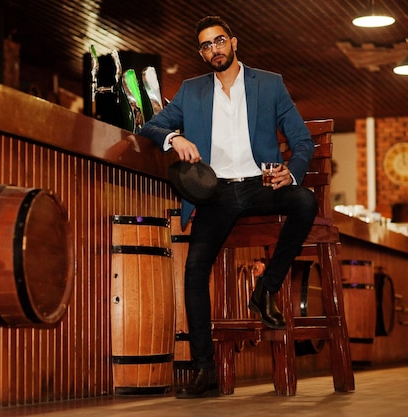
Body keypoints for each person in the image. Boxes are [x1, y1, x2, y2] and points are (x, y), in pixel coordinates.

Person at [139, 16, 317, 399]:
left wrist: (293, 172)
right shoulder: (191, 90)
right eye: (205, 45)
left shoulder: (269, 84)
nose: (214, 49)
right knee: (194, 271)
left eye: (219, 41)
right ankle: (206, 371)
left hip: (261, 185)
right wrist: (174, 137)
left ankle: (265, 289)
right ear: (201, 53)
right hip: (216, 193)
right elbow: (150, 126)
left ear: (234, 42)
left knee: (304, 200)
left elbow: (303, 141)